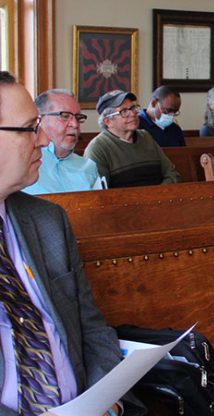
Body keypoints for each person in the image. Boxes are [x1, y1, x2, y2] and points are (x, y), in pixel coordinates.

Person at [0, 70, 144, 415]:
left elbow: (90, 325)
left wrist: (106, 397)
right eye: (28, 129)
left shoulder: (47, 220)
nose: (43, 142)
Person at [84, 90, 180, 188]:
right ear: (108, 121)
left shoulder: (146, 137)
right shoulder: (97, 148)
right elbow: (100, 193)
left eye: (133, 108)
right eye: (124, 111)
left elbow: (172, 174)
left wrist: (157, 195)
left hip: (160, 199)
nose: (133, 114)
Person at [23, 89, 101, 194]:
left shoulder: (88, 168)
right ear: (39, 119)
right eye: (65, 116)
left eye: (78, 118)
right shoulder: (23, 164)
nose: (75, 124)